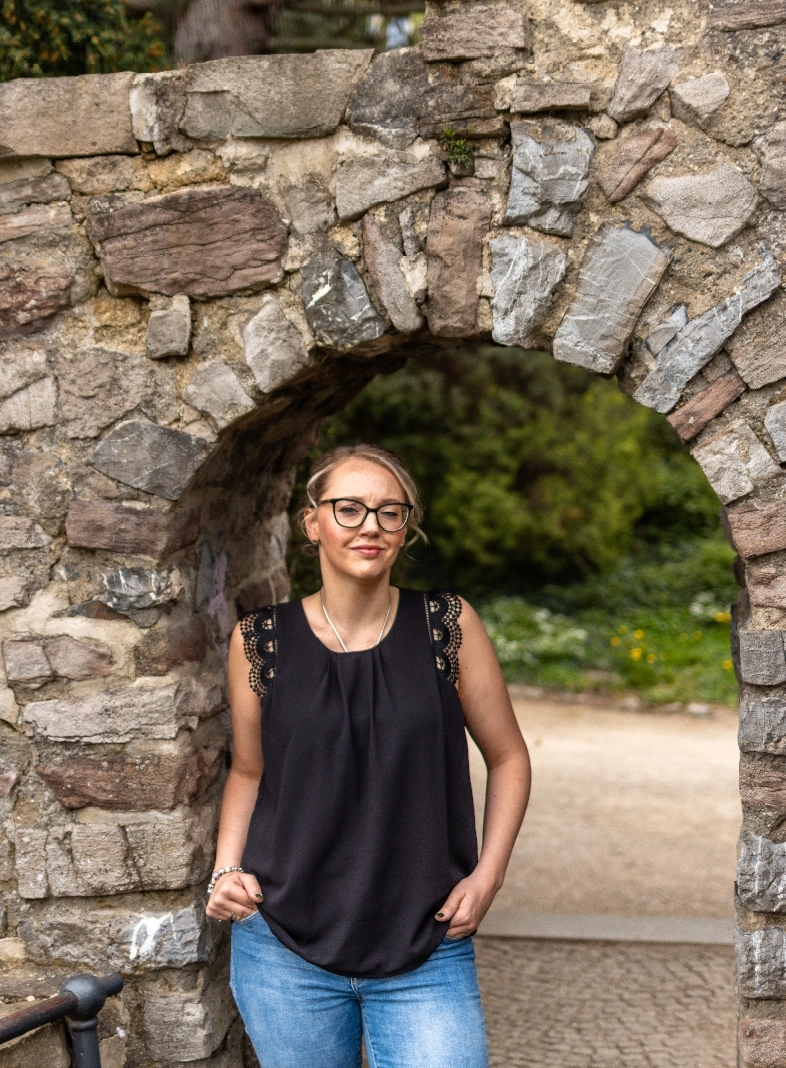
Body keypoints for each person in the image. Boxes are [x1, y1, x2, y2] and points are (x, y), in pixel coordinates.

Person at [206, 443, 531, 1068]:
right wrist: (226, 871)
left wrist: (487, 876)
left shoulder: (446, 625)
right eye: (349, 509)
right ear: (312, 522)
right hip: (282, 945)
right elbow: (249, 771)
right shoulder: (259, 639)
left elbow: (510, 757)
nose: (370, 526)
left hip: (425, 939)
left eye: (389, 511)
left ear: (406, 527)